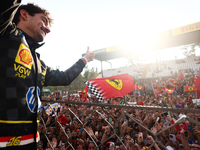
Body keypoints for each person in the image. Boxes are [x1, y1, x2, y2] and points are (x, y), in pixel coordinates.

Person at [0, 0, 95, 149]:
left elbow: (65, 78)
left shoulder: (39, 64)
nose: (48, 29)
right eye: (43, 20)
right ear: (24, 14)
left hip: (30, 141)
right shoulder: (5, 34)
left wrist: (84, 60)